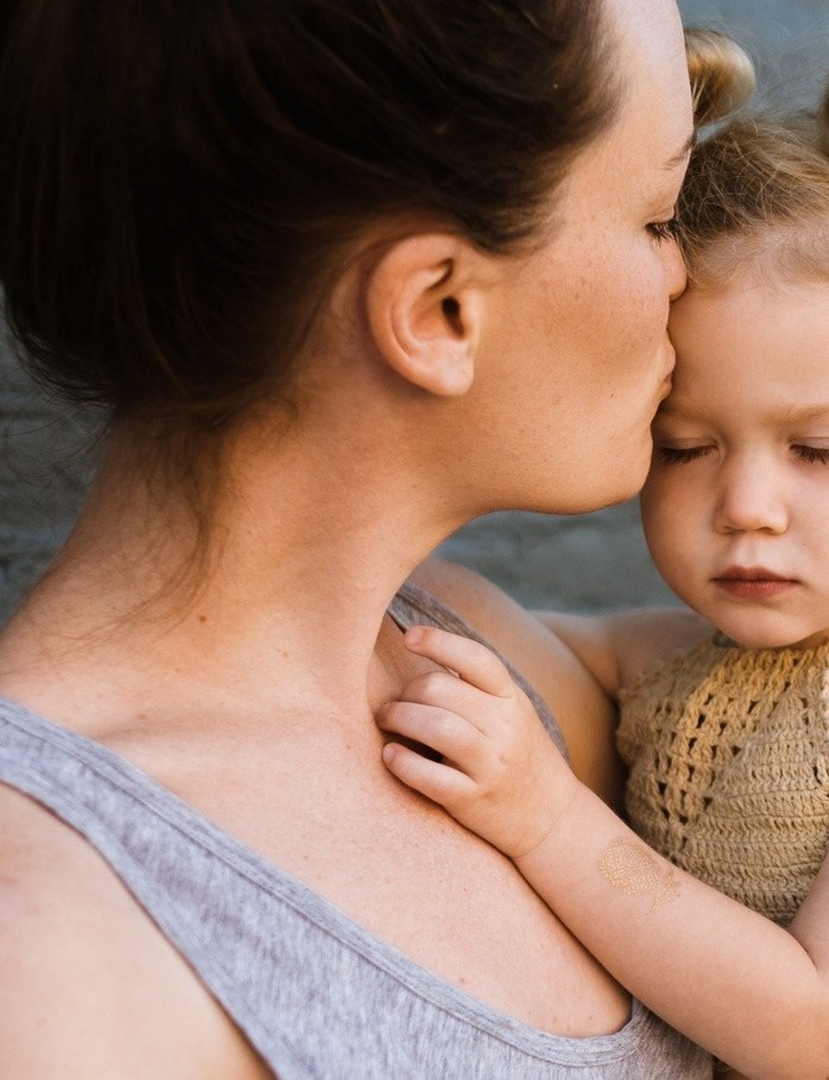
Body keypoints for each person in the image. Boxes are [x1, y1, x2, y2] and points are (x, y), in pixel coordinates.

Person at [0, 1, 755, 1075]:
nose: (684, 275)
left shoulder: (483, 663)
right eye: (656, 218)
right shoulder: (49, 952)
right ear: (440, 309)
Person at [377, 7, 829, 1078]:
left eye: (821, 451)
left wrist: (548, 817)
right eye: (686, 445)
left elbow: (806, 1023)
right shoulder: (667, 666)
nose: (746, 503)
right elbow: (453, 615)